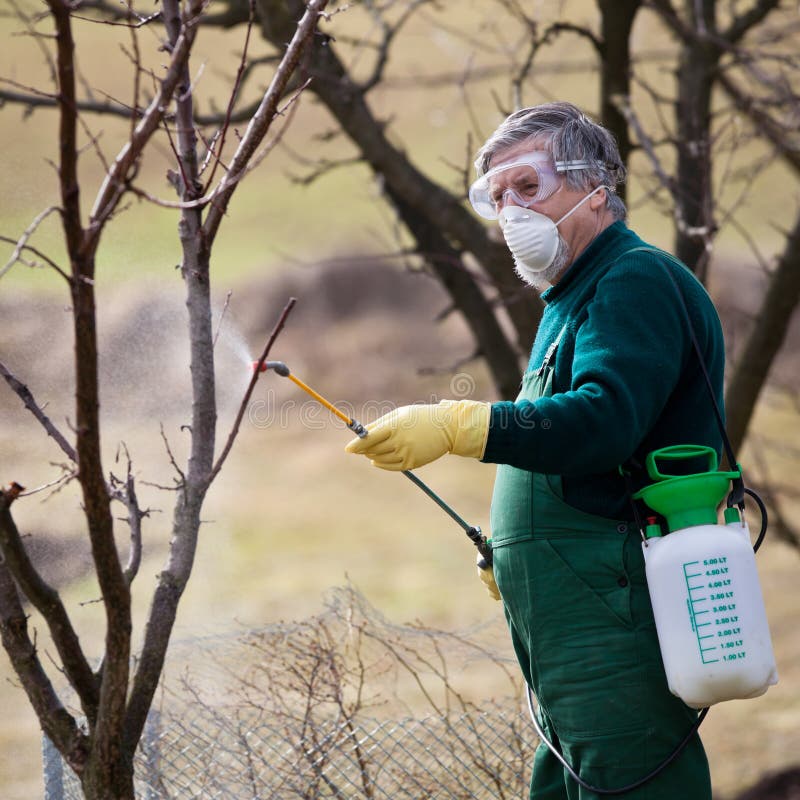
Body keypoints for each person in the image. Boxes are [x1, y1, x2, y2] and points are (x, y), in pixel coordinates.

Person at [345, 102, 724, 799]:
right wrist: (517, 553)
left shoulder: (632, 279)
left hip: (616, 613)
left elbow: (602, 423)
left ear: (595, 186)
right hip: (569, 622)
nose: (510, 210)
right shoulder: (571, 298)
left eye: (527, 186)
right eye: (498, 197)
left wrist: (462, 425)